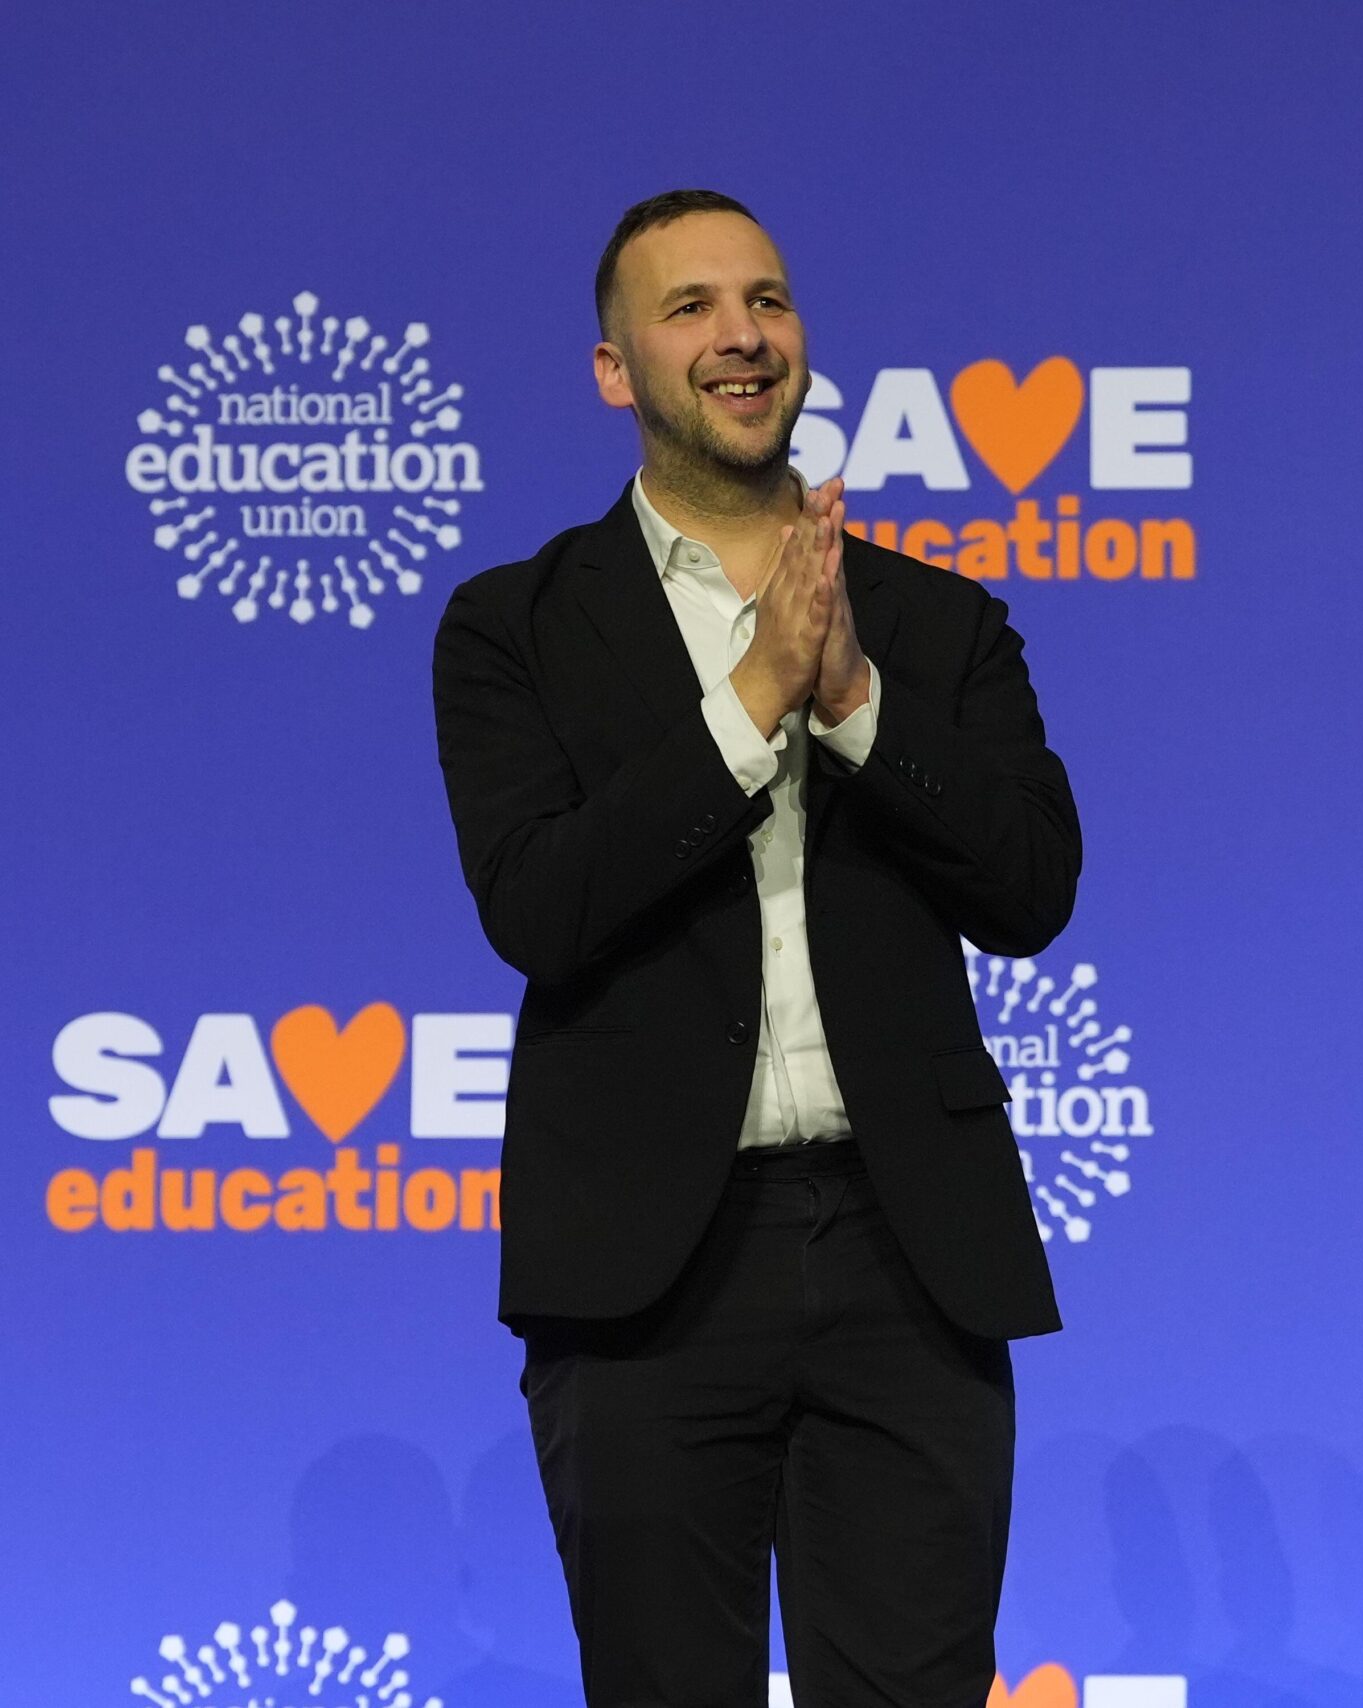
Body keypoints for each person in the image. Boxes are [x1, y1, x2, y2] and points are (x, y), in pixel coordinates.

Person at [431, 188, 1077, 1707]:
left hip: (908, 1257)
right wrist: (746, 709)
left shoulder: (934, 622)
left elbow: (1033, 888)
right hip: (650, 1270)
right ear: (616, 371)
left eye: (767, 302)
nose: (741, 336)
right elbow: (539, 904)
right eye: (692, 308)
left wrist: (851, 700)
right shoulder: (515, 627)